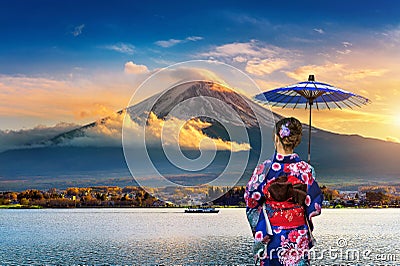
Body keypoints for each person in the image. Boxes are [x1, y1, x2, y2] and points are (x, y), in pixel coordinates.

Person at [244, 117, 323, 266]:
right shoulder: (306, 170)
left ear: (276, 138)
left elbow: (251, 200)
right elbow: (314, 203)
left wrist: (261, 226)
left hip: (273, 234)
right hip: (298, 234)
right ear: (296, 140)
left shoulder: (264, 170)